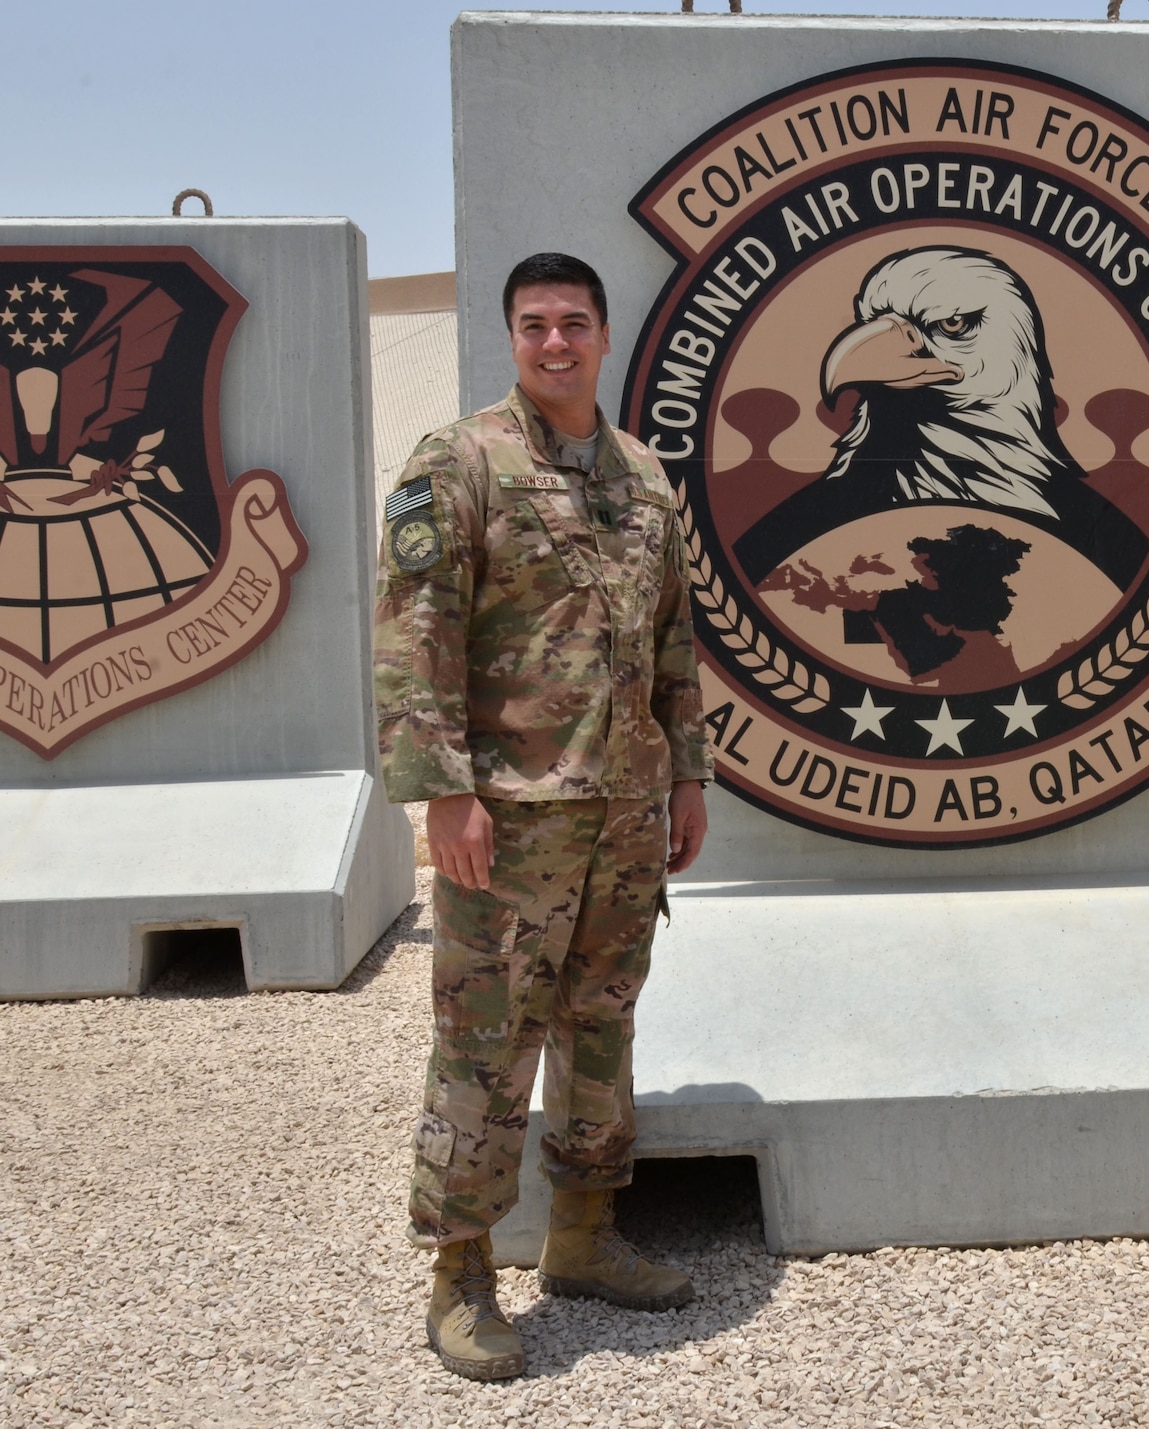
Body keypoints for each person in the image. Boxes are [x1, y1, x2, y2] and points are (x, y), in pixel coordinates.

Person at [373, 251, 715, 1379]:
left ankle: (582, 1239)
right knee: (483, 1045)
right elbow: (415, 634)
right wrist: (446, 793)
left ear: (604, 336)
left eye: (574, 322)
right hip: (507, 817)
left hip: (622, 810)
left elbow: (673, 642)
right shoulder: (460, 461)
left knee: (603, 1029)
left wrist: (686, 776)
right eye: (534, 325)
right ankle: (461, 1270)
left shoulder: (646, 476)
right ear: (511, 339)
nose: (555, 342)